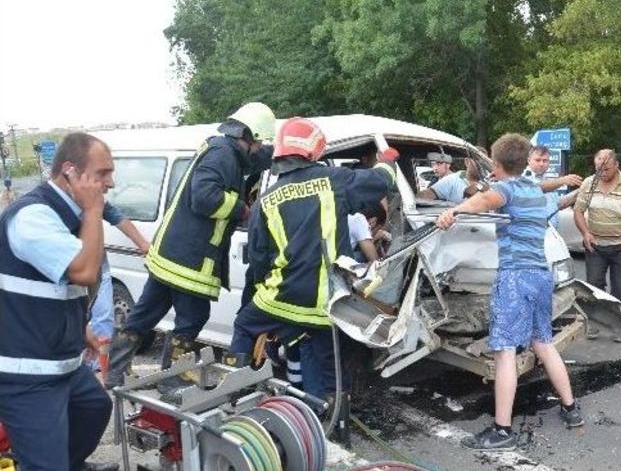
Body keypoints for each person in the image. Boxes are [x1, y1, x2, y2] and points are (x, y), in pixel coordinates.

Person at [106, 102, 276, 391]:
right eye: (259, 141)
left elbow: (256, 161)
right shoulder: (224, 156)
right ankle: (173, 379)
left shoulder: (225, 151)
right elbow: (204, 197)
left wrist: (285, 151)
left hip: (170, 256)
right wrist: (242, 210)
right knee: (193, 317)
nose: (260, 147)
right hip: (188, 260)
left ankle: (114, 373)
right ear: (247, 135)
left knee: (144, 315)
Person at [228, 117, 397, 402]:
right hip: (327, 305)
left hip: (281, 300)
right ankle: (327, 421)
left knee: (245, 324)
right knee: (326, 366)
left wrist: (261, 294)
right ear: (314, 151)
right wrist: (387, 161)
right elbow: (382, 182)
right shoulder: (334, 182)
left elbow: (258, 261)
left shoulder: (264, 201)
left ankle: (236, 390)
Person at [437, 133, 583, 451]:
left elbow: (483, 201)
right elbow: (523, 188)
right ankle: (572, 410)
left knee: (504, 352)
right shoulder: (530, 187)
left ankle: (502, 430)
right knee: (543, 343)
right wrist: (490, 183)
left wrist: (454, 212)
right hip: (541, 276)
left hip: (515, 278)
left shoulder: (504, 190)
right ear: (524, 161)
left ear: (498, 162)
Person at [0, 133, 118, 471]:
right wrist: (95, 210)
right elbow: (83, 271)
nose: (109, 183)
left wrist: (80, 328)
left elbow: (59, 289)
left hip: (60, 362)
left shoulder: (70, 214)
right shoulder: (33, 216)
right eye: (102, 173)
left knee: (95, 407)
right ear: (70, 171)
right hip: (26, 373)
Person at [574, 149, 621, 318]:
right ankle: (596, 321)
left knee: (620, 288)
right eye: (598, 169)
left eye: (606, 169)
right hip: (595, 246)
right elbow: (578, 211)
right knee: (593, 286)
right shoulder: (589, 183)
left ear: (616, 165)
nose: (602, 173)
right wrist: (585, 233)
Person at [86, 202, 150, 376]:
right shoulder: (59, 204)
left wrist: (143, 244)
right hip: (71, 272)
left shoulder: (96, 197)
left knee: (104, 318)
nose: (110, 183)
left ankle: (102, 369)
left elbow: (119, 219)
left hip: (99, 269)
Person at [522, 145, 583, 227]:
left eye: (545, 160)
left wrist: (582, 190)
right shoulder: (522, 177)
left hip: (548, 232)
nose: (541, 164)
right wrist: (563, 180)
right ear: (529, 160)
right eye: (538, 160)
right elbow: (537, 188)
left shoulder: (547, 180)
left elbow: (558, 204)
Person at [418, 154, 489, 203]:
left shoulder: (491, 181)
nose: (481, 165)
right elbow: (423, 196)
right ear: (467, 162)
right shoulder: (452, 180)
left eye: (484, 162)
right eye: (477, 161)